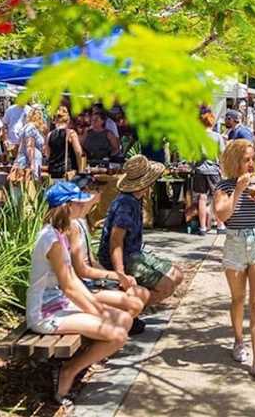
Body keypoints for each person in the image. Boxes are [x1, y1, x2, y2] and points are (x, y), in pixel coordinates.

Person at [26, 182, 134, 407]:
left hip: (60, 304)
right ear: (67, 206)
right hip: (46, 314)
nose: (84, 204)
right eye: (79, 202)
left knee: (123, 319)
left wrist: (96, 307)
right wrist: (97, 313)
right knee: (118, 335)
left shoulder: (61, 234)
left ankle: (82, 361)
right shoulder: (51, 239)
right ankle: (68, 372)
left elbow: (74, 280)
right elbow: (68, 286)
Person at [213, 139, 255, 383]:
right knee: (238, 299)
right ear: (234, 161)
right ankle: (239, 340)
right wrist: (240, 191)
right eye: (246, 159)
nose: (251, 163)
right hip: (234, 243)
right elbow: (221, 215)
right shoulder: (224, 187)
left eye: (253, 158)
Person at [61, 180, 148, 335]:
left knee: (141, 293)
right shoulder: (72, 226)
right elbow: (81, 270)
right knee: (134, 304)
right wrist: (115, 276)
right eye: (96, 190)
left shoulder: (82, 221)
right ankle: (109, 332)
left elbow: (91, 260)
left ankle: (117, 327)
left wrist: (114, 278)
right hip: (83, 285)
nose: (100, 193)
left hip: (91, 280)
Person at [97, 155, 184, 304]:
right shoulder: (125, 204)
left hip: (135, 252)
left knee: (177, 275)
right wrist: (120, 273)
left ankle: (135, 302)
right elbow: (115, 241)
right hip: (125, 257)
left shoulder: (136, 198)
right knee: (166, 286)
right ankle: (129, 307)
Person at [189, 106, 226, 235]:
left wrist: (194, 165)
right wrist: (223, 169)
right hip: (213, 170)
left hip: (200, 170)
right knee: (217, 197)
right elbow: (222, 154)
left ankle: (203, 227)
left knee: (202, 198)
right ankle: (220, 225)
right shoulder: (217, 137)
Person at [45, 106, 85, 183]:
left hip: (53, 172)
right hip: (67, 172)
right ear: (68, 120)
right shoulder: (71, 133)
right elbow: (78, 152)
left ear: (56, 120)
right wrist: (81, 169)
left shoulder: (50, 135)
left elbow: (48, 154)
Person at [14, 107, 47, 183]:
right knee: (32, 182)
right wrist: (32, 164)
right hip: (32, 159)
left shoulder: (25, 127)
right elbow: (30, 146)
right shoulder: (32, 128)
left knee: (22, 181)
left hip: (23, 158)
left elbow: (21, 146)